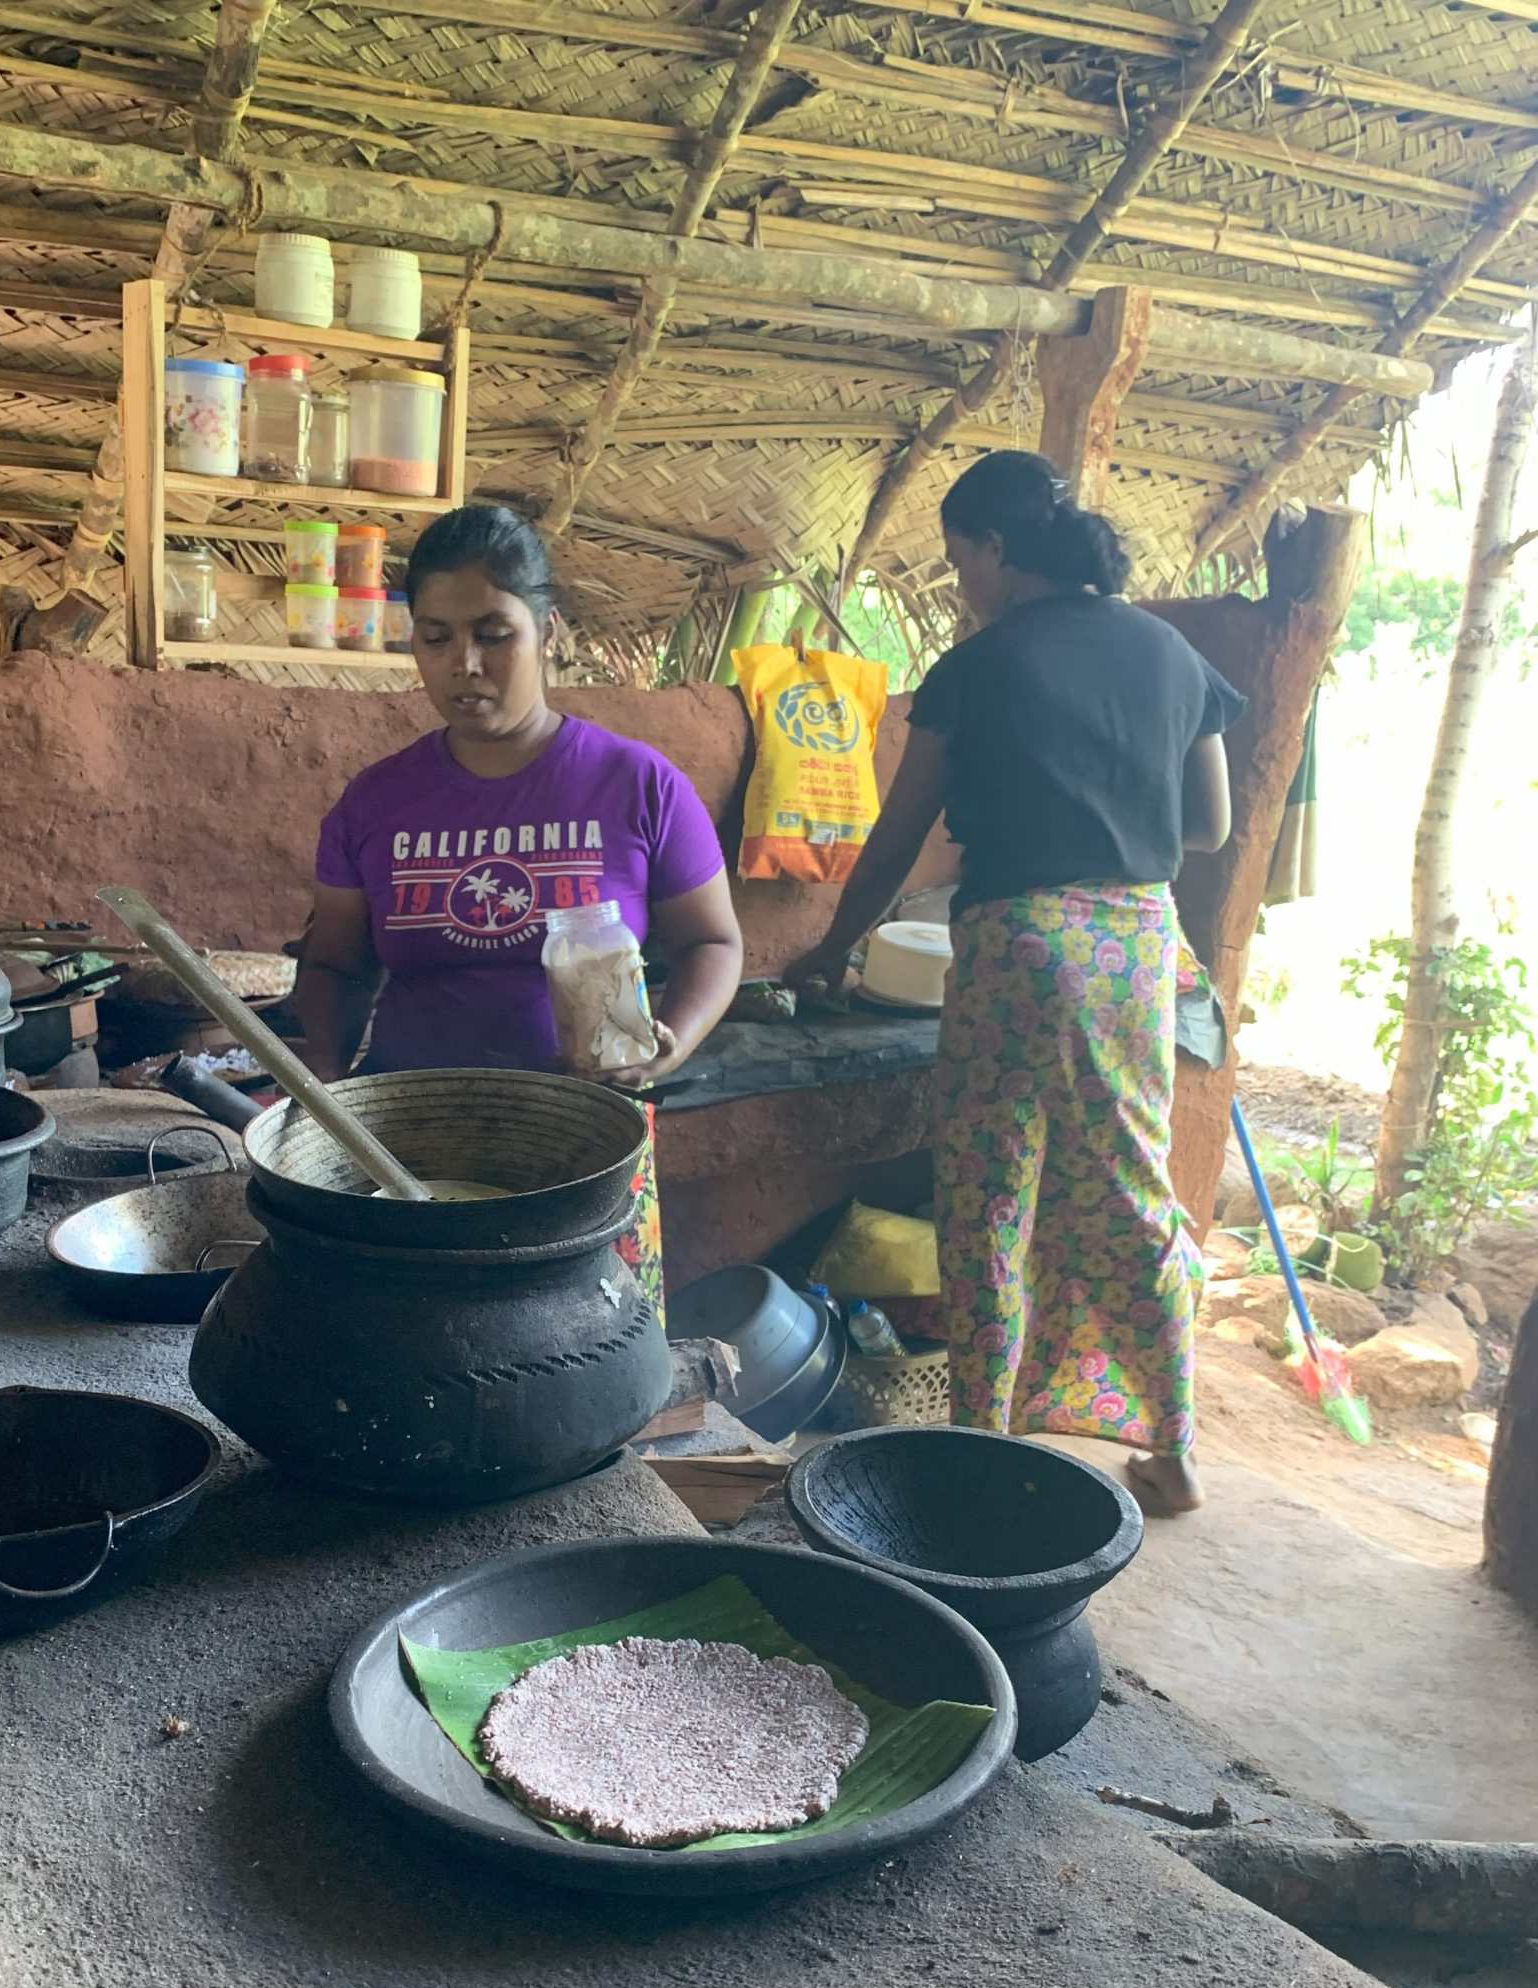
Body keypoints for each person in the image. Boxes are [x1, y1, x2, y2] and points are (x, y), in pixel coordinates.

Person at [788, 449, 1244, 1515]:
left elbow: (897, 839)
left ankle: (981, 1442)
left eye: (961, 563)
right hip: (1136, 944)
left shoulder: (980, 666)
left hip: (1022, 949)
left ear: (996, 548)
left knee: (991, 1190)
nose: (963, 586)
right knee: (1131, 1184)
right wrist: (1113, 829)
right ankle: (1172, 1445)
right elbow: (1211, 826)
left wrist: (829, 947)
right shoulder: (1172, 654)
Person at [297, 503, 743, 1090]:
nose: (465, 663)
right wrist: (321, 1083)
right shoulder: (376, 800)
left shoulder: (639, 784)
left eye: (495, 635)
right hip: (403, 1133)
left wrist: (671, 1044)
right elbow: (334, 965)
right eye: (436, 638)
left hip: (589, 1129)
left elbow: (712, 942)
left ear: (548, 632)